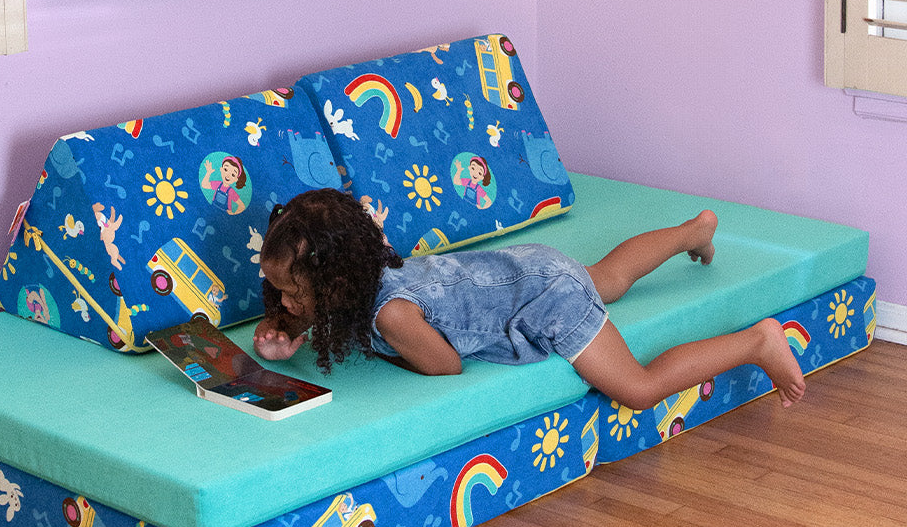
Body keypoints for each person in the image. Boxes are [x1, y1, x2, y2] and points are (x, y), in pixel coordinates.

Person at [252, 187, 807, 410]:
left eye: (290, 292)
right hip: (526, 266)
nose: (281, 300)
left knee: (637, 389)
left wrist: (369, 343)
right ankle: (693, 231)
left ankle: (758, 341)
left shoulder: (392, 315)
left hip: (545, 299)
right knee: (608, 278)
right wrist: (296, 326)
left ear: (334, 286)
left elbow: (444, 366)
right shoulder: (369, 270)